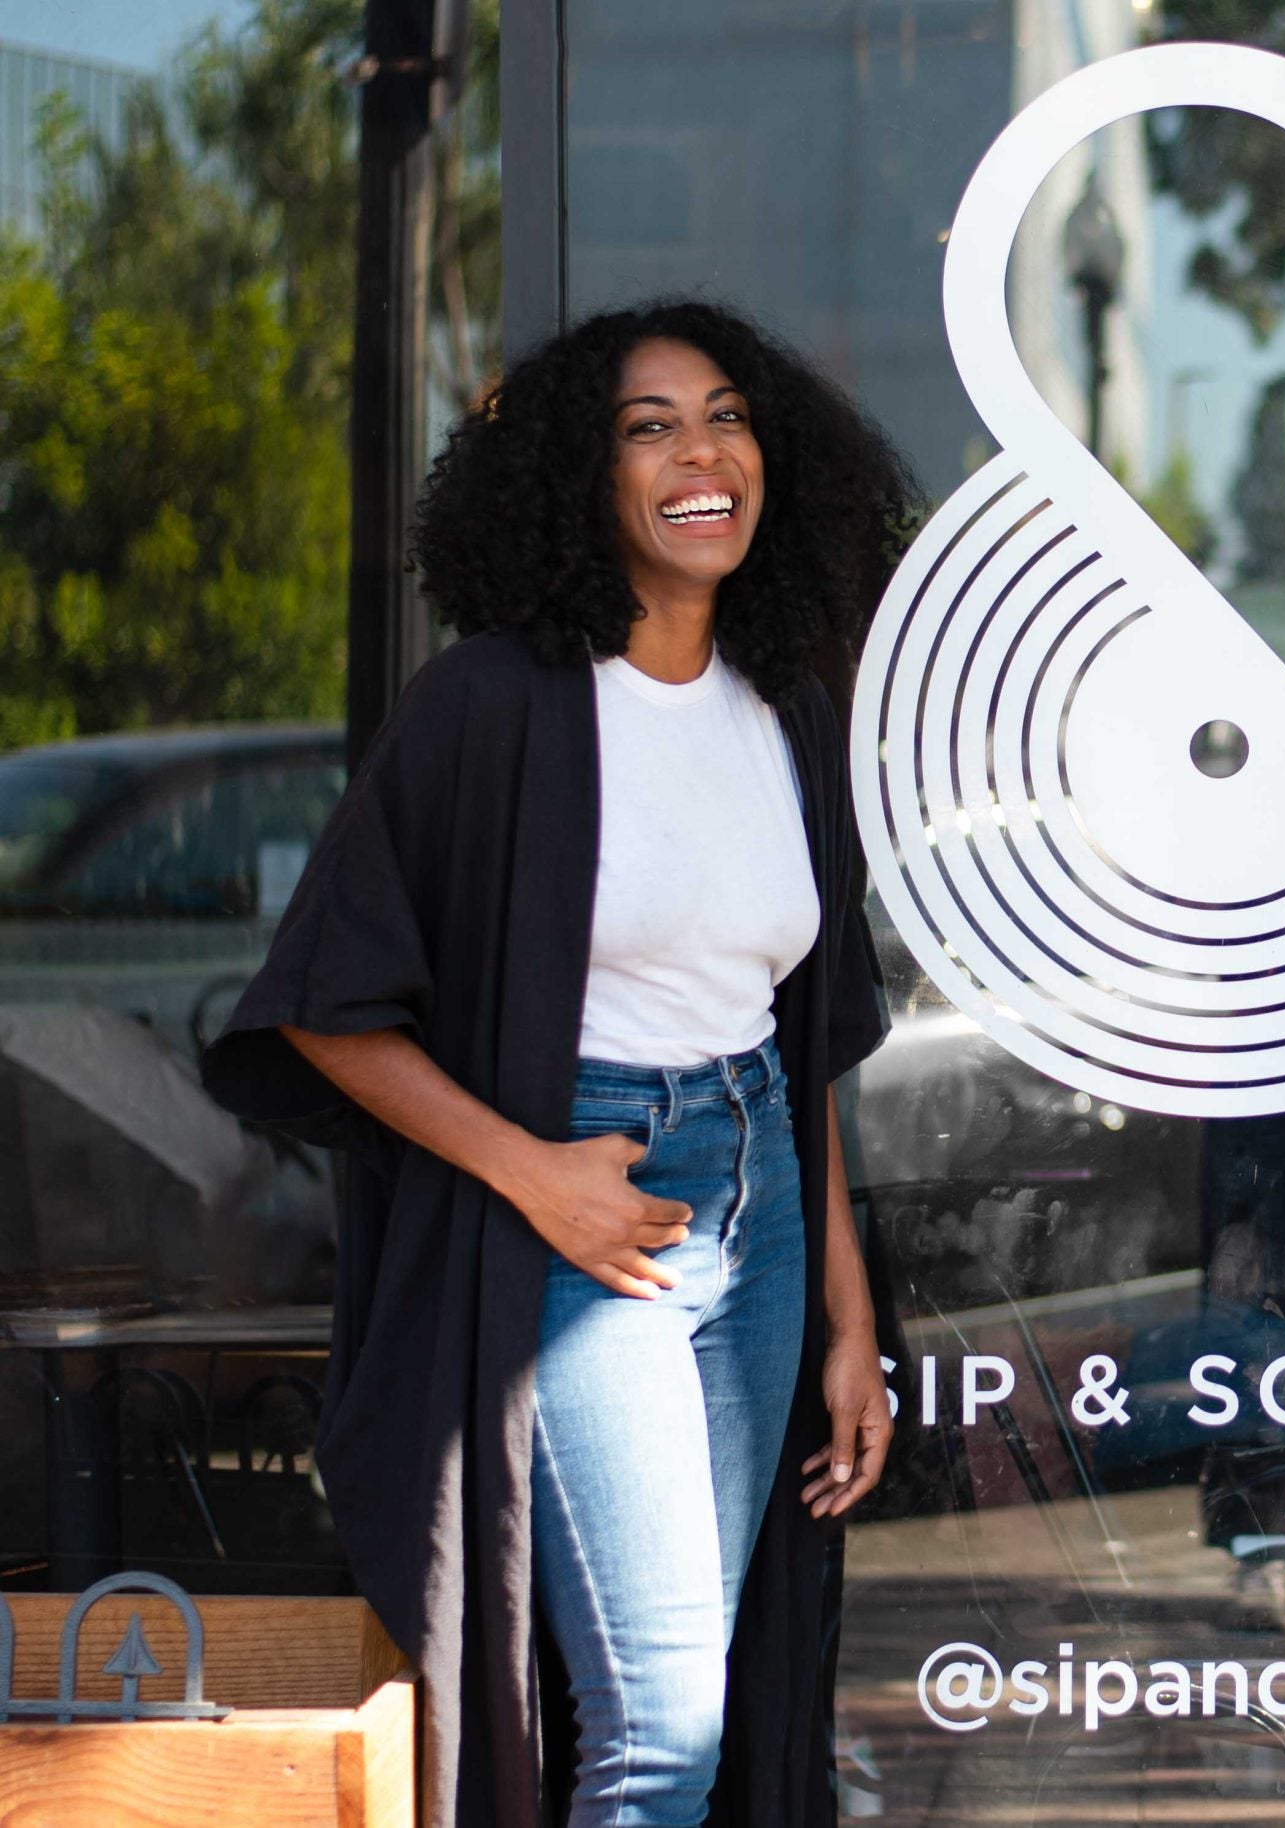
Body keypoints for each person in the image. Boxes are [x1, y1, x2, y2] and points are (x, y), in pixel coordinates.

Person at [203, 300, 918, 1828]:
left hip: (757, 1209)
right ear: (580, 482)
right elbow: (326, 1003)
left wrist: (852, 1320)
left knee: (701, 1700)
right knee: (661, 1727)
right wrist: (534, 1176)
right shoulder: (494, 704)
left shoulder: (787, 708)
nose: (700, 455)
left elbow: (800, 1040)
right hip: (588, 1217)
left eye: (726, 417)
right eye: (648, 428)